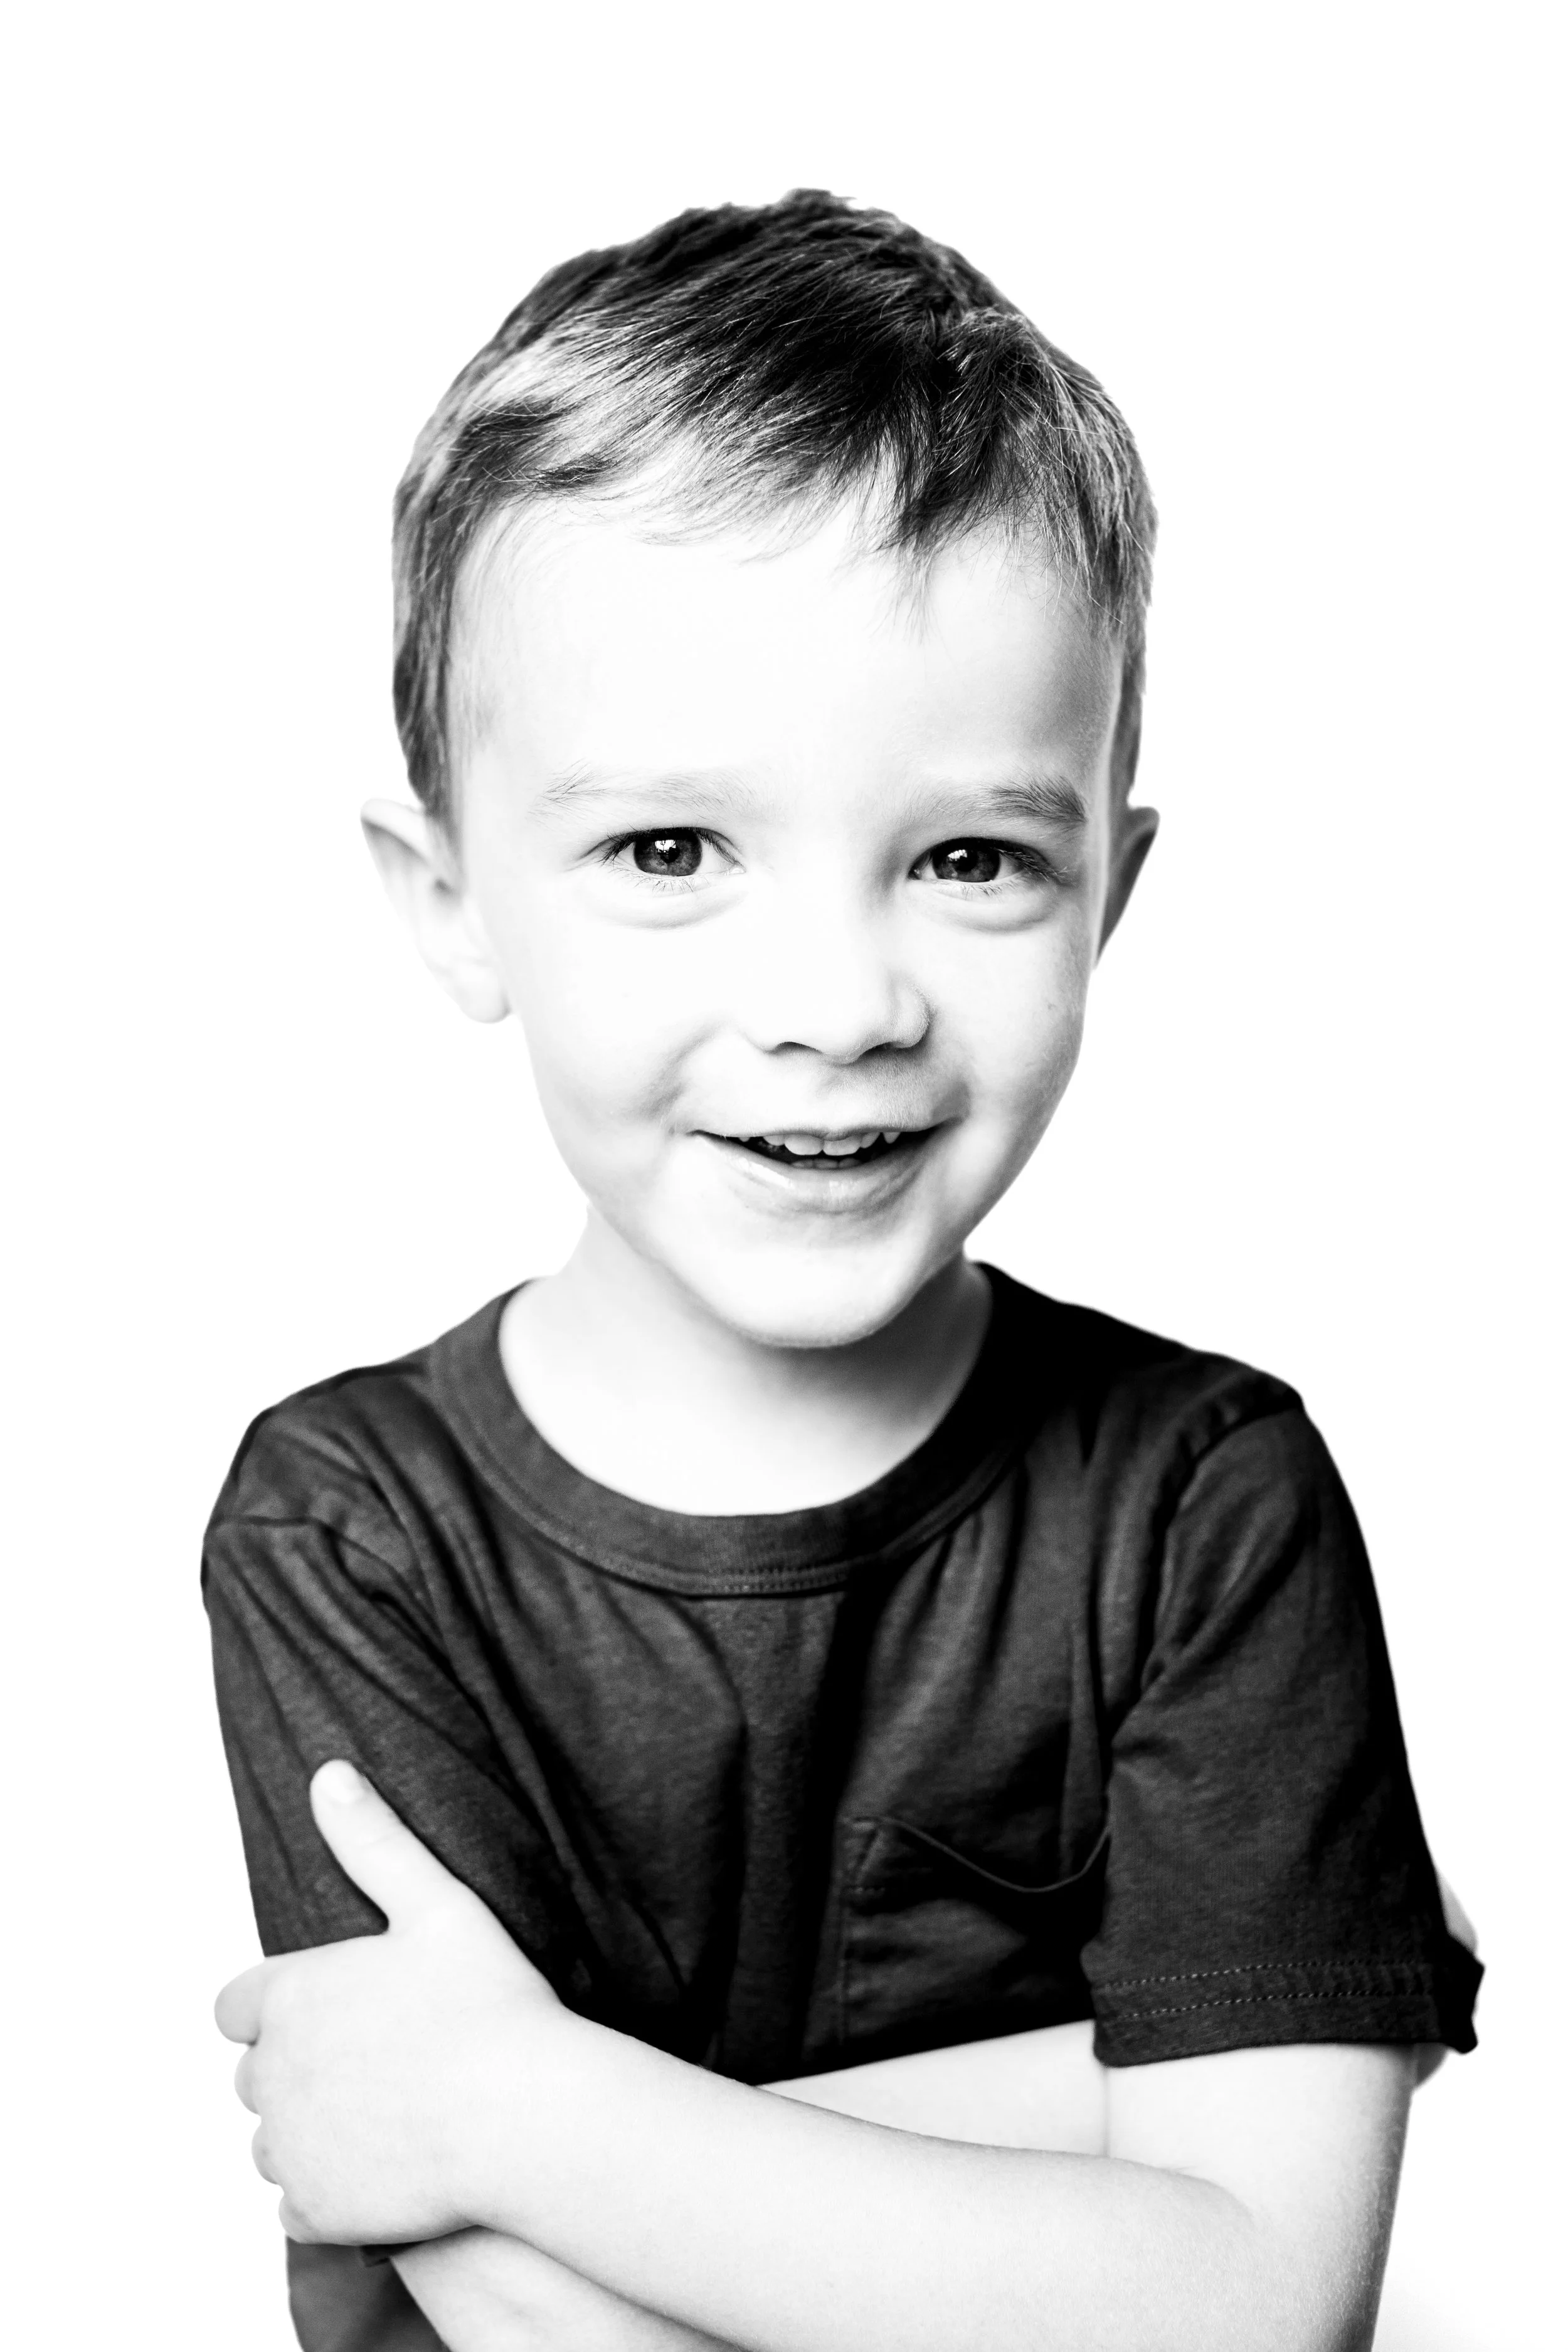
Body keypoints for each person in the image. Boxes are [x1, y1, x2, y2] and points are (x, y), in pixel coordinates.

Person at [206, 190, 1480, 2352]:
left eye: (969, 856)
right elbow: (527, 2320)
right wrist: (1109, 2114)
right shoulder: (348, 1524)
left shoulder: (1205, 1501)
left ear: (1106, 894)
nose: (837, 1004)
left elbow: (1264, 2304)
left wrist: (519, 2102)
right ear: (447, 899)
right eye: (667, 849)